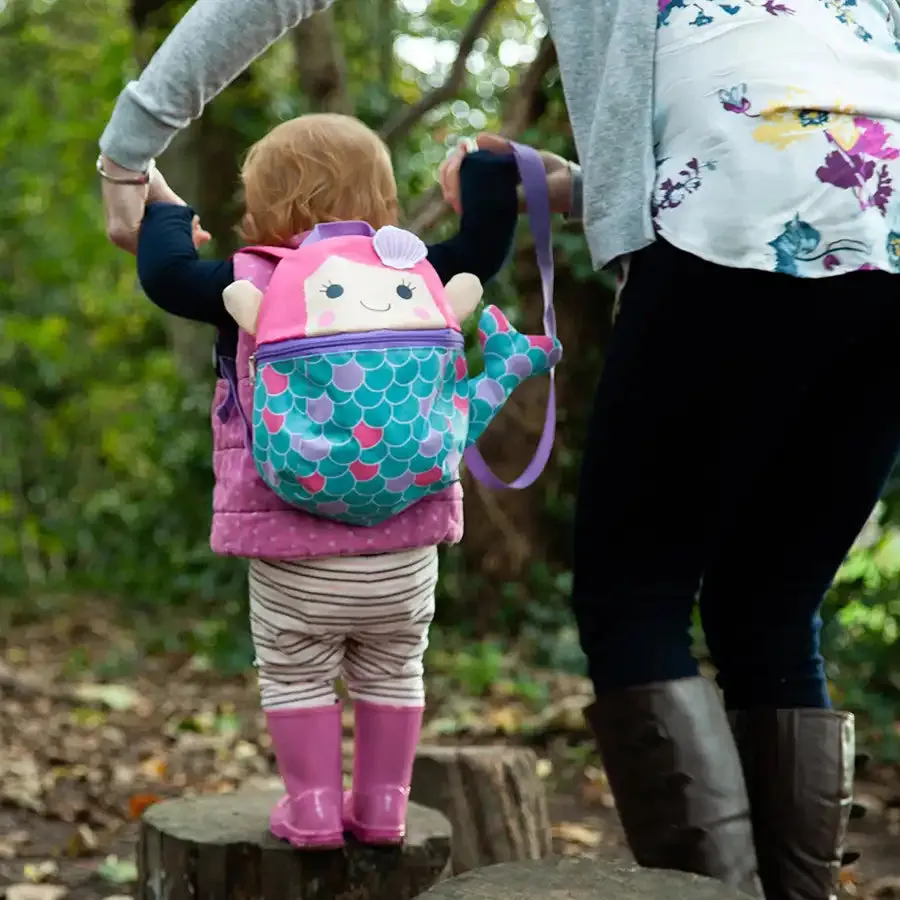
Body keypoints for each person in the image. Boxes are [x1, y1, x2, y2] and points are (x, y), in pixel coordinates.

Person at [97, 0, 894, 896]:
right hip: (886, 217)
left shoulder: (264, 281)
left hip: (726, 214)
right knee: (774, 605)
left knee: (638, 599)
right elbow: (808, 110)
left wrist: (131, 150)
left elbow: (745, 141)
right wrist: (567, 184)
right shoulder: (409, 272)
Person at [135, 110, 525, 849]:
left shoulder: (252, 279)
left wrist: (164, 210)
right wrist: (485, 170)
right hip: (406, 544)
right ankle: (383, 806)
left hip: (289, 544)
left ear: (263, 211)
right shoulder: (418, 274)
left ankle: (312, 808)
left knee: (295, 674)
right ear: (383, 205)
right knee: (394, 669)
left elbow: (163, 275)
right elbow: (485, 244)